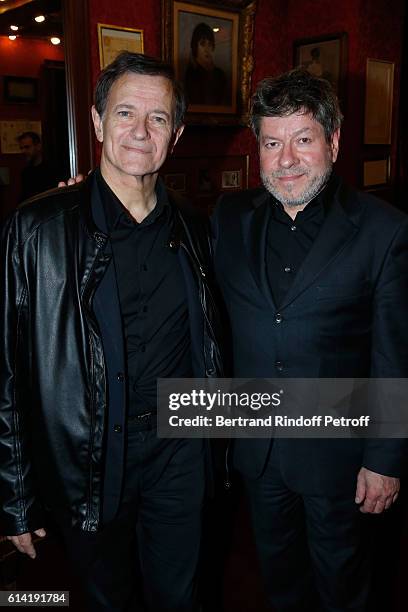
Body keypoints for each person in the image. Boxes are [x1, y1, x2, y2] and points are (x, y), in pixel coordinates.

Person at [0, 52, 223, 612]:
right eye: (125, 113)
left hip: (181, 454)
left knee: (182, 596)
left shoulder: (200, 230)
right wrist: (16, 499)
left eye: (158, 118)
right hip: (89, 464)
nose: (140, 132)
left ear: (177, 133)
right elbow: (5, 371)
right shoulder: (37, 229)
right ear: (97, 123)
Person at [212, 69, 408, 611]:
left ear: (334, 141)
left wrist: (385, 459)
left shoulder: (383, 230)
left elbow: (394, 355)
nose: (287, 159)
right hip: (256, 452)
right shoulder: (228, 218)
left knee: (346, 589)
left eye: (303, 140)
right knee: (280, 584)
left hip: (340, 460)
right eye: (272, 143)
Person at [184, 22, 230, 107]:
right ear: (195, 46)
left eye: (210, 44)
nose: (207, 49)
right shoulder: (190, 75)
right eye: (202, 44)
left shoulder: (220, 74)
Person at [17, 131, 57, 201]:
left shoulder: (52, 169)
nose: (23, 151)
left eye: (27, 147)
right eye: (21, 148)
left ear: (38, 146)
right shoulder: (26, 172)